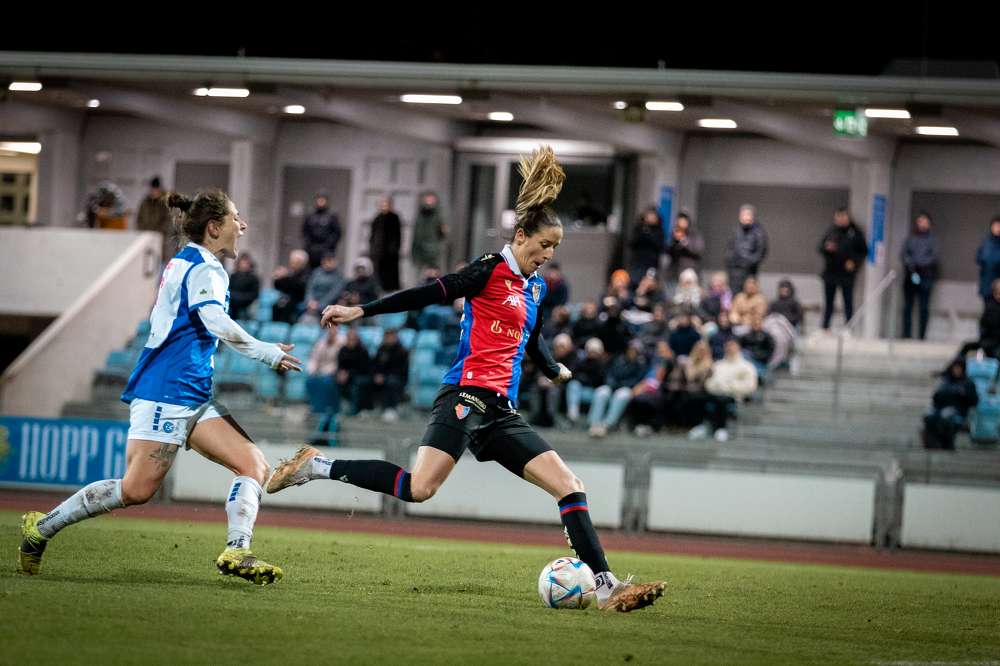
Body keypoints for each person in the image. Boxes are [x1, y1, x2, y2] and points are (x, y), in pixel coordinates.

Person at [266, 147, 664, 612]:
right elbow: (431, 292)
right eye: (544, 246)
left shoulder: (534, 287)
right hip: (466, 395)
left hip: (500, 411)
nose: (548, 256)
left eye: (555, 249)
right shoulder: (489, 270)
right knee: (421, 488)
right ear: (521, 236)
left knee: (570, 485)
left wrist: (552, 367)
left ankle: (606, 587)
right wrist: (361, 310)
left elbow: (531, 338)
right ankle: (315, 467)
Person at [17, 189, 301, 584]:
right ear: (214, 227)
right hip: (166, 391)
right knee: (136, 490)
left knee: (253, 464)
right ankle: (41, 528)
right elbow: (214, 321)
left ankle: (237, 551)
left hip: (193, 392)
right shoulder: (205, 267)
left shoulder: (187, 261)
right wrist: (265, 351)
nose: (243, 225)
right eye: (236, 218)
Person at [688, 339, 758, 442]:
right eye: (728, 346)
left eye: (732, 346)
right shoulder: (719, 364)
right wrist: (714, 387)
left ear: (738, 348)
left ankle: (721, 429)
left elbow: (750, 385)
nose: (729, 349)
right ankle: (701, 426)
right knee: (697, 397)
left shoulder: (746, 366)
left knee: (722, 400)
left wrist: (729, 387)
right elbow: (710, 381)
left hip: (733, 395)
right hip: (715, 393)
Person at [818, 207, 867, 330]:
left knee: (848, 301)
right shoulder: (831, 231)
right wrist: (827, 249)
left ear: (848, 217)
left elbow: (864, 251)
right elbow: (820, 247)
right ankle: (825, 327)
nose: (841, 219)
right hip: (831, 272)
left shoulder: (855, 232)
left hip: (846, 274)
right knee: (829, 302)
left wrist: (854, 263)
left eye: (843, 216)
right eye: (838, 217)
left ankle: (848, 327)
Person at [588, 341, 649, 438]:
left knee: (622, 395)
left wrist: (621, 385)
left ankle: (607, 425)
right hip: (613, 386)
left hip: (628, 388)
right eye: (630, 349)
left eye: (635, 350)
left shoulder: (641, 363)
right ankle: (594, 423)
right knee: (602, 391)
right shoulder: (618, 359)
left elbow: (638, 379)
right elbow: (609, 373)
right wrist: (612, 384)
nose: (632, 352)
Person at [901, 212, 941, 340]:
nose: (921, 224)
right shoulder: (911, 238)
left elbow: (934, 257)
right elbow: (903, 254)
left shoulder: (933, 240)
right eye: (919, 221)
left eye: (924, 221)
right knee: (908, 306)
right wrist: (911, 264)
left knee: (923, 307)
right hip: (911, 275)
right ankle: (906, 334)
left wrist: (920, 263)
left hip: (926, 276)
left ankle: (921, 335)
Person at [923, 358, 978, 450]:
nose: (956, 370)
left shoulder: (968, 383)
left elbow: (974, 401)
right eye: (955, 368)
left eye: (959, 368)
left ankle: (948, 444)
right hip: (940, 408)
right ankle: (933, 443)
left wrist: (962, 395)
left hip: (958, 411)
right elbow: (936, 398)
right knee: (929, 415)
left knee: (947, 415)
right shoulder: (946, 382)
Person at [724, 204, 768, 295]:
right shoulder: (735, 231)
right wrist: (730, 262)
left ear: (753, 216)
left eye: (748, 215)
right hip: (734, 271)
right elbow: (729, 249)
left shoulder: (759, 233)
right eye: (743, 215)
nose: (746, 217)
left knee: (748, 295)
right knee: (734, 296)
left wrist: (747, 262)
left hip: (749, 271)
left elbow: (761, 252)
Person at [371, 328, 409, 422]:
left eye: (391, 336)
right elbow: (374, 365)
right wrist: (376, 375)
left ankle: (390, 409)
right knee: (365, 380)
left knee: (391, 382)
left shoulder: (402, 351)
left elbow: (401, 370)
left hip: (398, 378)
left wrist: (384, 376)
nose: (389, 339)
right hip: (381, 377)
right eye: (387, 336)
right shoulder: (381, 349)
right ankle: (368, 408)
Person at [300, 252, 348, 325]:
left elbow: (333, 294)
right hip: (311, 306)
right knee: (304, 321)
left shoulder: (339, 277)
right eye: (325, 261)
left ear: (335, 262)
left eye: (330, 261)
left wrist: (319, 305)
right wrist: (310, 301)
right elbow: (310, 289)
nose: (327, 263)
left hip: (328, 308)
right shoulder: (317, 272)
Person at [136, 176, 174, 261]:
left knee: (159, 262)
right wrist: (143, 232)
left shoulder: (166, 202)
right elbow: (139, 219)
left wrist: (156, 233)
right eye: (152, 189)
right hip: (145, 238)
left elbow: (168, 221)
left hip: (161, 240)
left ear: (160, 189)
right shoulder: (145, 202)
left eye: (156, 190)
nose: (153, 192)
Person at [411, 191, 448, 274]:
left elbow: (444, 234)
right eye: (427, 200)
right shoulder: (420, 215)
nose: (429, 202)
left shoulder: (439, 215)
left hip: (434, 251)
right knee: (419, 277)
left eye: (431, 200)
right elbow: (416, 234)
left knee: (433, 278)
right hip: (419, 250)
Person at [302, 192, 342, 269]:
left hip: (327, 249)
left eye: (322, 200)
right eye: (319, 200)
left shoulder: (332, 215)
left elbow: (337, 232)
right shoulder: (310, 215)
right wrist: (309, 245)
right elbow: (305, 231)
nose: (320, 202)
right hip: (311, 249)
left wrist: (328, 245)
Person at [369, 197, 402, 292]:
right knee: (378, 277)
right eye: (381, 204)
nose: (383, 206)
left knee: (390, 279)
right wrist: (372, 250)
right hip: (378, 254)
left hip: (390, 255)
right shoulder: (377, 218)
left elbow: (397, 236)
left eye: (385, 204)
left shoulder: (394, 218)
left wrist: (393, 250)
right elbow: (373, 236)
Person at [272, 249, 311, 324]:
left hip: (299, 299)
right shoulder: (292, 272)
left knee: (287, 307)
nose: (291, 264)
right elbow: (278, 287)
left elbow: (300, 288)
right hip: (288, 298)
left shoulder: (307, 274)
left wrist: (286, 277)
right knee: (276, 306)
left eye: (294, 262)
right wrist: (278, 279)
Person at [628, 207, 665, 285]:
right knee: (635, 284)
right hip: (637, 264)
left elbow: (660, 246)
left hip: (652, 264)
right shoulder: (639, 228)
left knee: (649, 286)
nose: (651, 218)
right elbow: (632, 243)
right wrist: (643, 232)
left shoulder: (659, 231)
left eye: (653, 216)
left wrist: (648, 235)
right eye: (649, 215)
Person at [665, 212, 704, 282]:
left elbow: (698, 251)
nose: (682, 224)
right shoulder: (675, 234)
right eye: (679, 221)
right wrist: (675, 243)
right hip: (674, 270)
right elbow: (669, 252)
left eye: (684, 221)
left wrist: (684, 242)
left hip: (689, 270)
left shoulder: (694, 235)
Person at [975, 216, 1000, 305]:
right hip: (987, 279)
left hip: (998, 280)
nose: (998, 228)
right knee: (988, 306)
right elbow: (978, 257)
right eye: (996, 226)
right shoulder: (986, 241)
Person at [228, 253, 260, 321]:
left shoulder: (254, 278)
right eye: (242, 263)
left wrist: (241, 298)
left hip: (247, 303)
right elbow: (229, 290)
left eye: (246, 263)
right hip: (233, 303)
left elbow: (254, 294)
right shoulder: (233, 276)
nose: (244, 265)